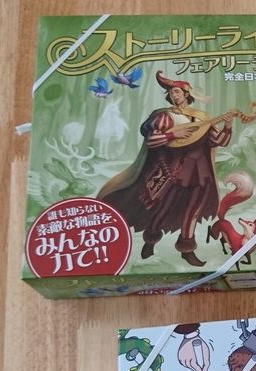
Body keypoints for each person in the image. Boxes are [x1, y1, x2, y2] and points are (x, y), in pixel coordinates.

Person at [98, 71, 232, 266]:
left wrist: (228, 125)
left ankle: (187, 250)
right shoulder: (165, 116)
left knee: (193, 211)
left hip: (200, 171)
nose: (173, 95)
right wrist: (172, 135)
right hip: (173, 171)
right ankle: (150, 241)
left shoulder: (202, 118)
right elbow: (151, 140)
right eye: (171, 92)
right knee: (163, 208)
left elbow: (218, 141)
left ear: (186, 94)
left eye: (177, 91)